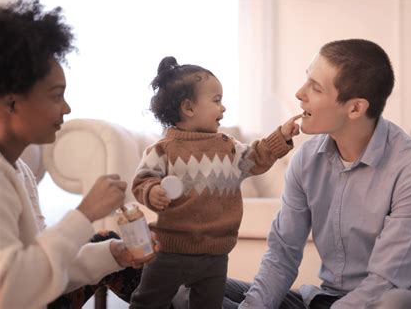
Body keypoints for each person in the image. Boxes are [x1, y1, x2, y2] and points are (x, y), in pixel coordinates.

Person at [222, 39, 411, 308]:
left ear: (355, 108)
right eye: (306, 80)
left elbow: (385, 283)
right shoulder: (306, 160)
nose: (299, 93)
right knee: (194, 288)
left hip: (392, 301)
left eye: (315, 88)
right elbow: (282, 255)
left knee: (394, 303)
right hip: (326, 300)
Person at [0, 0, 156, 308]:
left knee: (106, 242)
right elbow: (10, 291)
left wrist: (114, 254)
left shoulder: (18, 170)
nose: (67, 108)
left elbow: (42, 268)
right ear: (12, 103)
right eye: (56, 96)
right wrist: (84, 215)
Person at [129, 56, 302, 309]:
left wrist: (281, 136)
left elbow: (256, 156)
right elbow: (142, 180)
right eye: (217, 101)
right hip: (170, 252)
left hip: (215, 255)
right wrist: (152, 191)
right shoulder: (163, 150)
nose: (223, 108)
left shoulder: (227, 147)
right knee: (148, 302)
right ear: (189, 108)